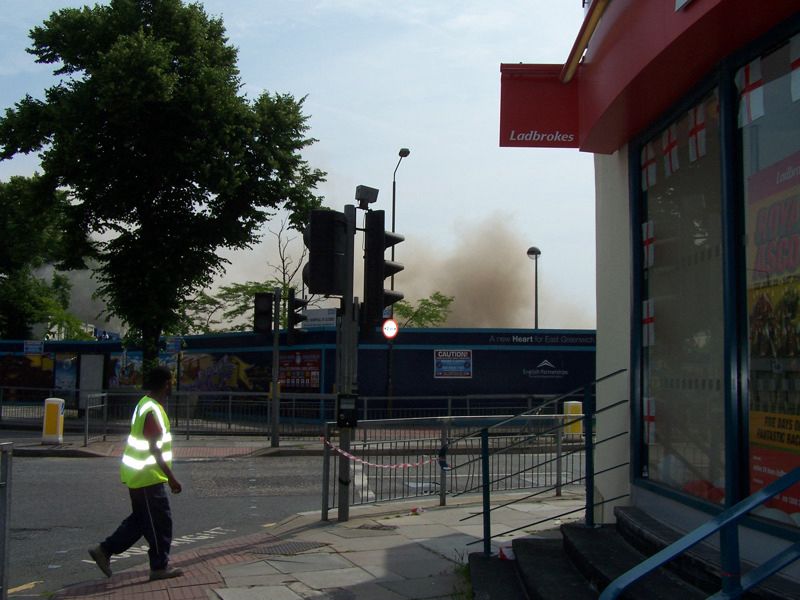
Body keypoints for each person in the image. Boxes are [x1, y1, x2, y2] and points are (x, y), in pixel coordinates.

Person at [88, 365, 184, 581]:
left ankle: (103, 550)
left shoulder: (145, 404)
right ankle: (159, 567)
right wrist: (171, 477)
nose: (172, 387)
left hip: (139, 475)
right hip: (148, 477)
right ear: (166, 383)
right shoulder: (151, 409)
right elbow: (154, 447)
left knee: (141, 521)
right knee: (160, 523)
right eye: (171, 382)